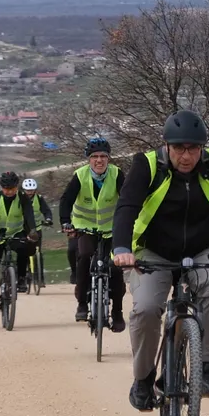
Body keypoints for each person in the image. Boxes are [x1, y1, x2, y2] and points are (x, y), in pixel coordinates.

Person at [111, 110, 209, 410]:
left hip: (203, 249)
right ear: (166, 146)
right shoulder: (147, 165)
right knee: (147, 309)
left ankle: (206, 367)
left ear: (202, 148)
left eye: (193, 148)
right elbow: (126, 207)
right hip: (154, 252)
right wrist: (122, 248)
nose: (186, 156)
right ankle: (143, 379)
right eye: (179, 148)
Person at [60, 137, 127, 329]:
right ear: (88, 159)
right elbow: (66, 201)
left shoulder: (117, 174)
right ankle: (82, 303)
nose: (99, 160)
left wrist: (128, 221)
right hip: (85, 227)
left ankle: (117, 312)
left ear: (109, 158)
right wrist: (66, 222)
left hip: (112, 229)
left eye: (103, 156)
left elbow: (127, 198)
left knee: (115, 266)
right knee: (84, 256)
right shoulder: (80, 176)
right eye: (95, 157)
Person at [0, 171, 38, 317]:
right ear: (1, 187)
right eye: (6, 188)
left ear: (16, 187)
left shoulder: (22, 198)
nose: (10, 191)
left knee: (26, 247)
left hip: (15, 233)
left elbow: (29, 214)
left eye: (12, 188)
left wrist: (32, 230)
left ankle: (22, 278)